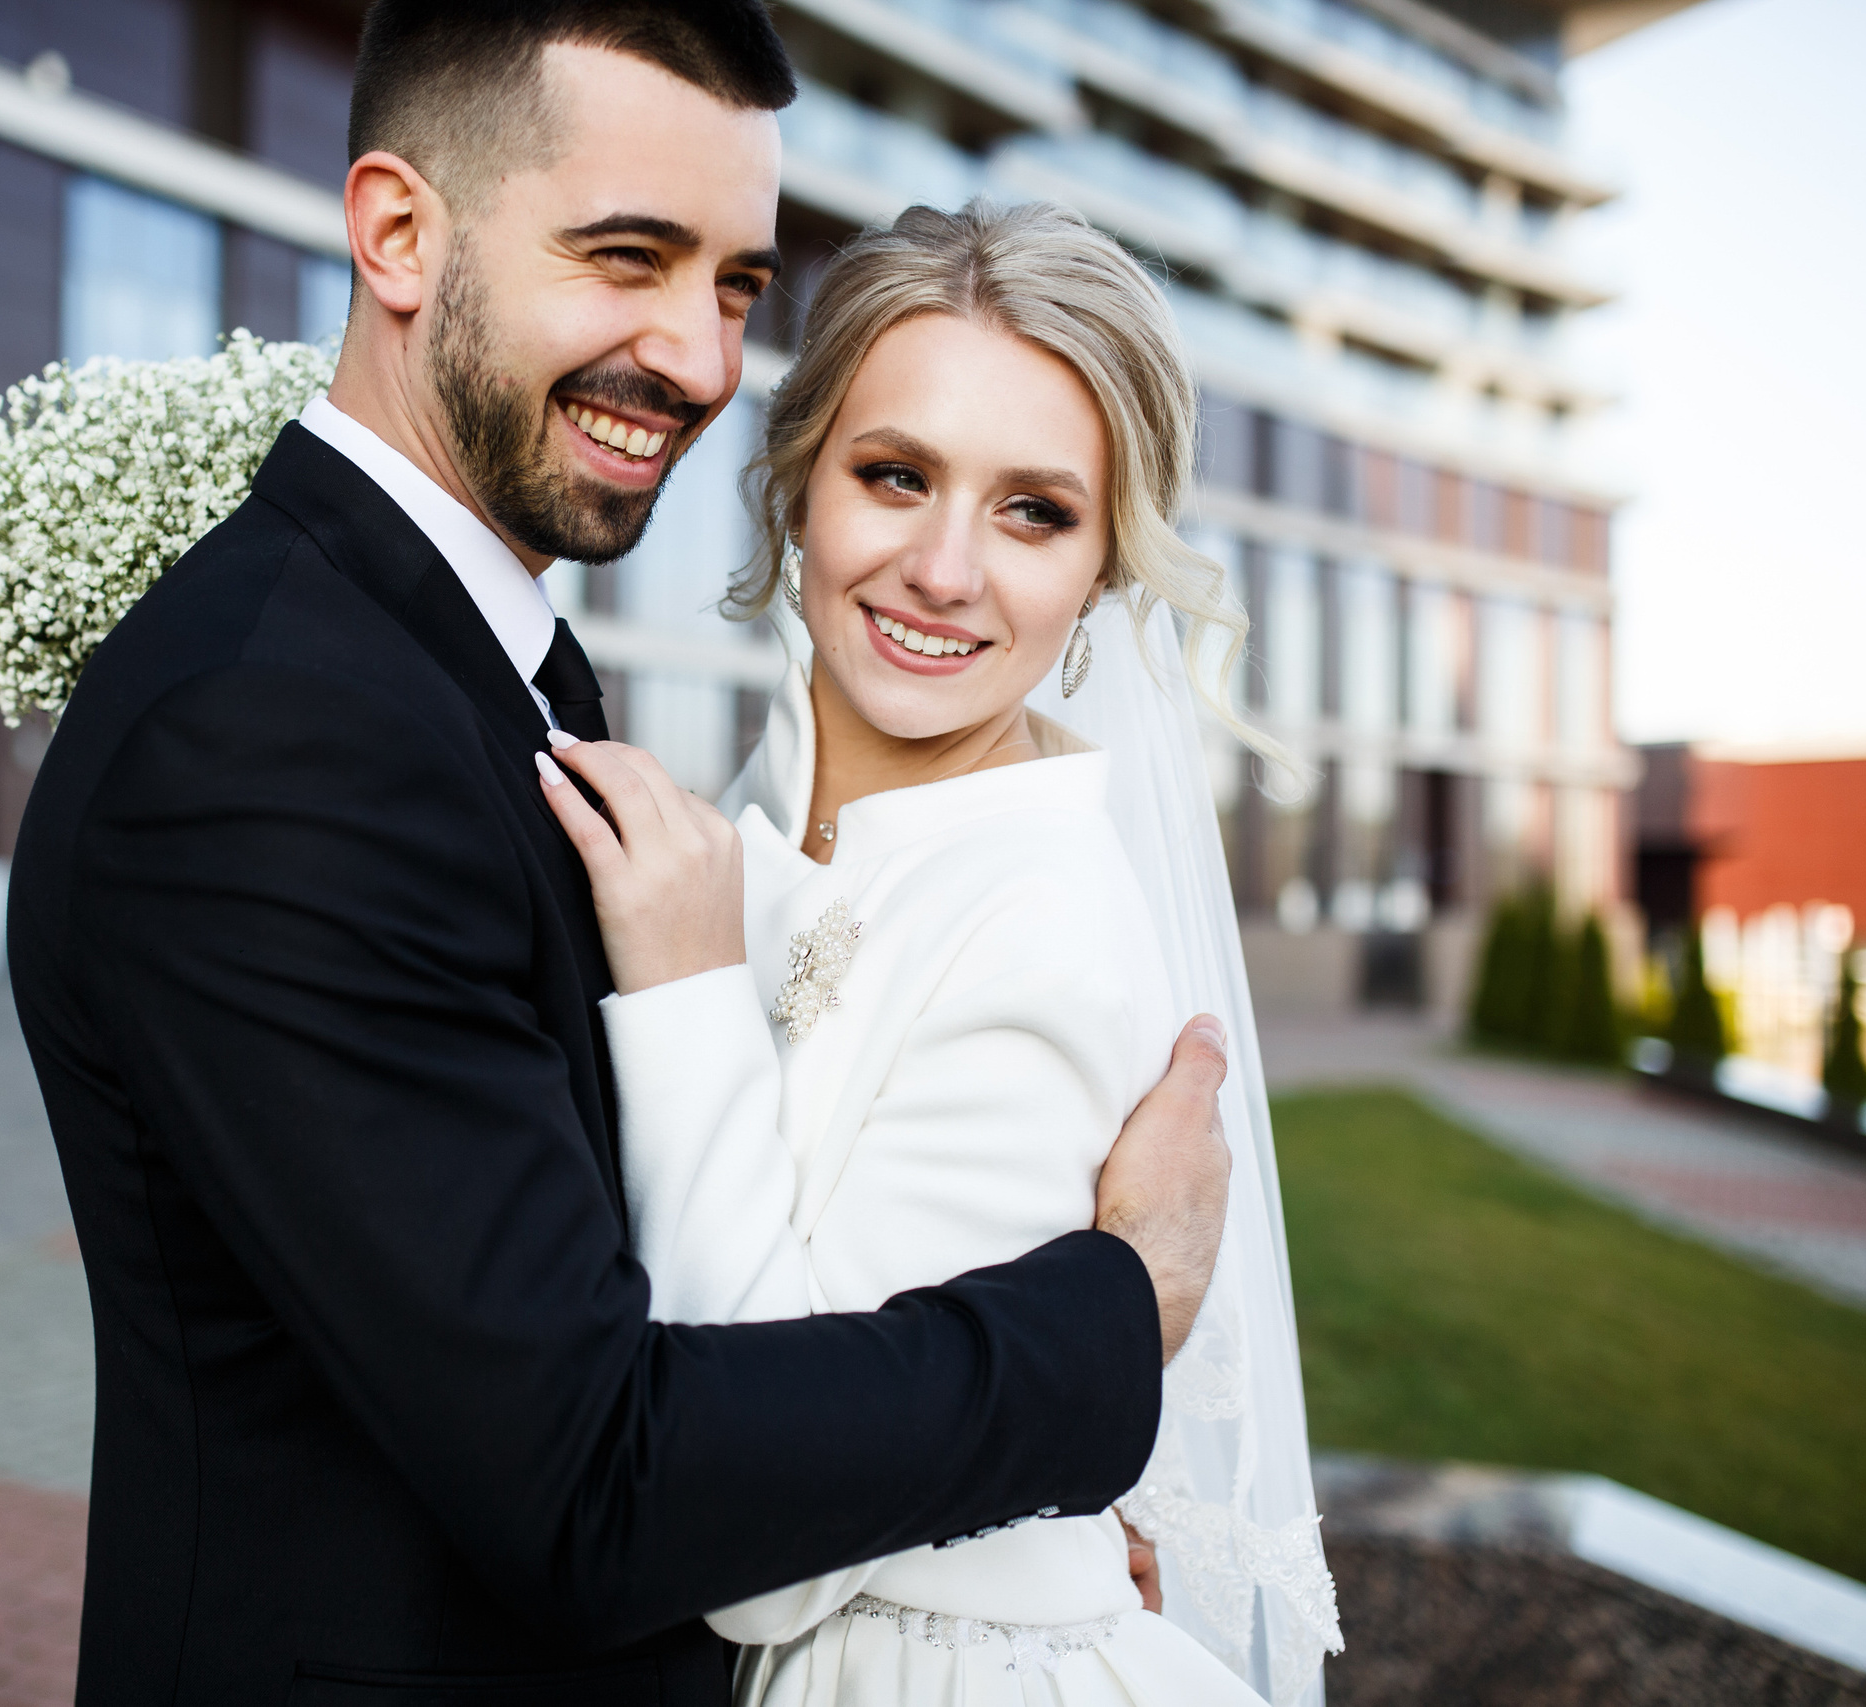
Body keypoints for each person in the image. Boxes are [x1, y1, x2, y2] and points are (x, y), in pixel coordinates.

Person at [6, 6, 1235, 1703]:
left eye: (735, 284)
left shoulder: (485, 667)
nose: (702, 357)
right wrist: (1113, 1317)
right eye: (628, 257)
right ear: (396, 234)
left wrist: (1014, 1561)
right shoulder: (273, 736)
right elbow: (590, 1478)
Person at [537, 202, 1343, 1706]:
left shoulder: (1042, 922)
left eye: (1035, 510)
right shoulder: (753, 825)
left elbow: (763, 1528)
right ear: (797, 489)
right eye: (896, 476)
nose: (944, 567)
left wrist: (691, 991)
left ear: (1105, 567)